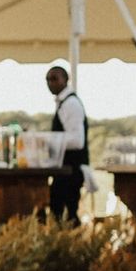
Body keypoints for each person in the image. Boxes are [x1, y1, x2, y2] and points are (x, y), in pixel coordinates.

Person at [45, 65, 89, 225]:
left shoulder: (71, 104)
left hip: (71, 170)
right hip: (63, 170)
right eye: (48, 79)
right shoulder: (63, 103)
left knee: (68, 213)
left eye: (54, 78)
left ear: (66, 80)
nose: (50, 83)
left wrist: (50, 140)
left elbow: (78, 141)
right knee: (59, 210)